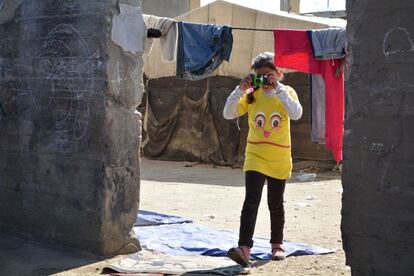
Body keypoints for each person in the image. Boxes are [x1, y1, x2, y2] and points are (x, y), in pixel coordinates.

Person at [223, 52, 303, 266]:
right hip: (255, 156)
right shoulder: (251, 94)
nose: (265, 81)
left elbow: (296, 114)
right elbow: (228, 114)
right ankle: (244, 247)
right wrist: (239, 90)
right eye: (260, 76)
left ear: (279, 74)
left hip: (279, 157)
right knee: (251, 201)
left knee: (275, 204)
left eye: (269, 75)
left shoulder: (287, 92)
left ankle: (277, 245)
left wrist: (278, 89)